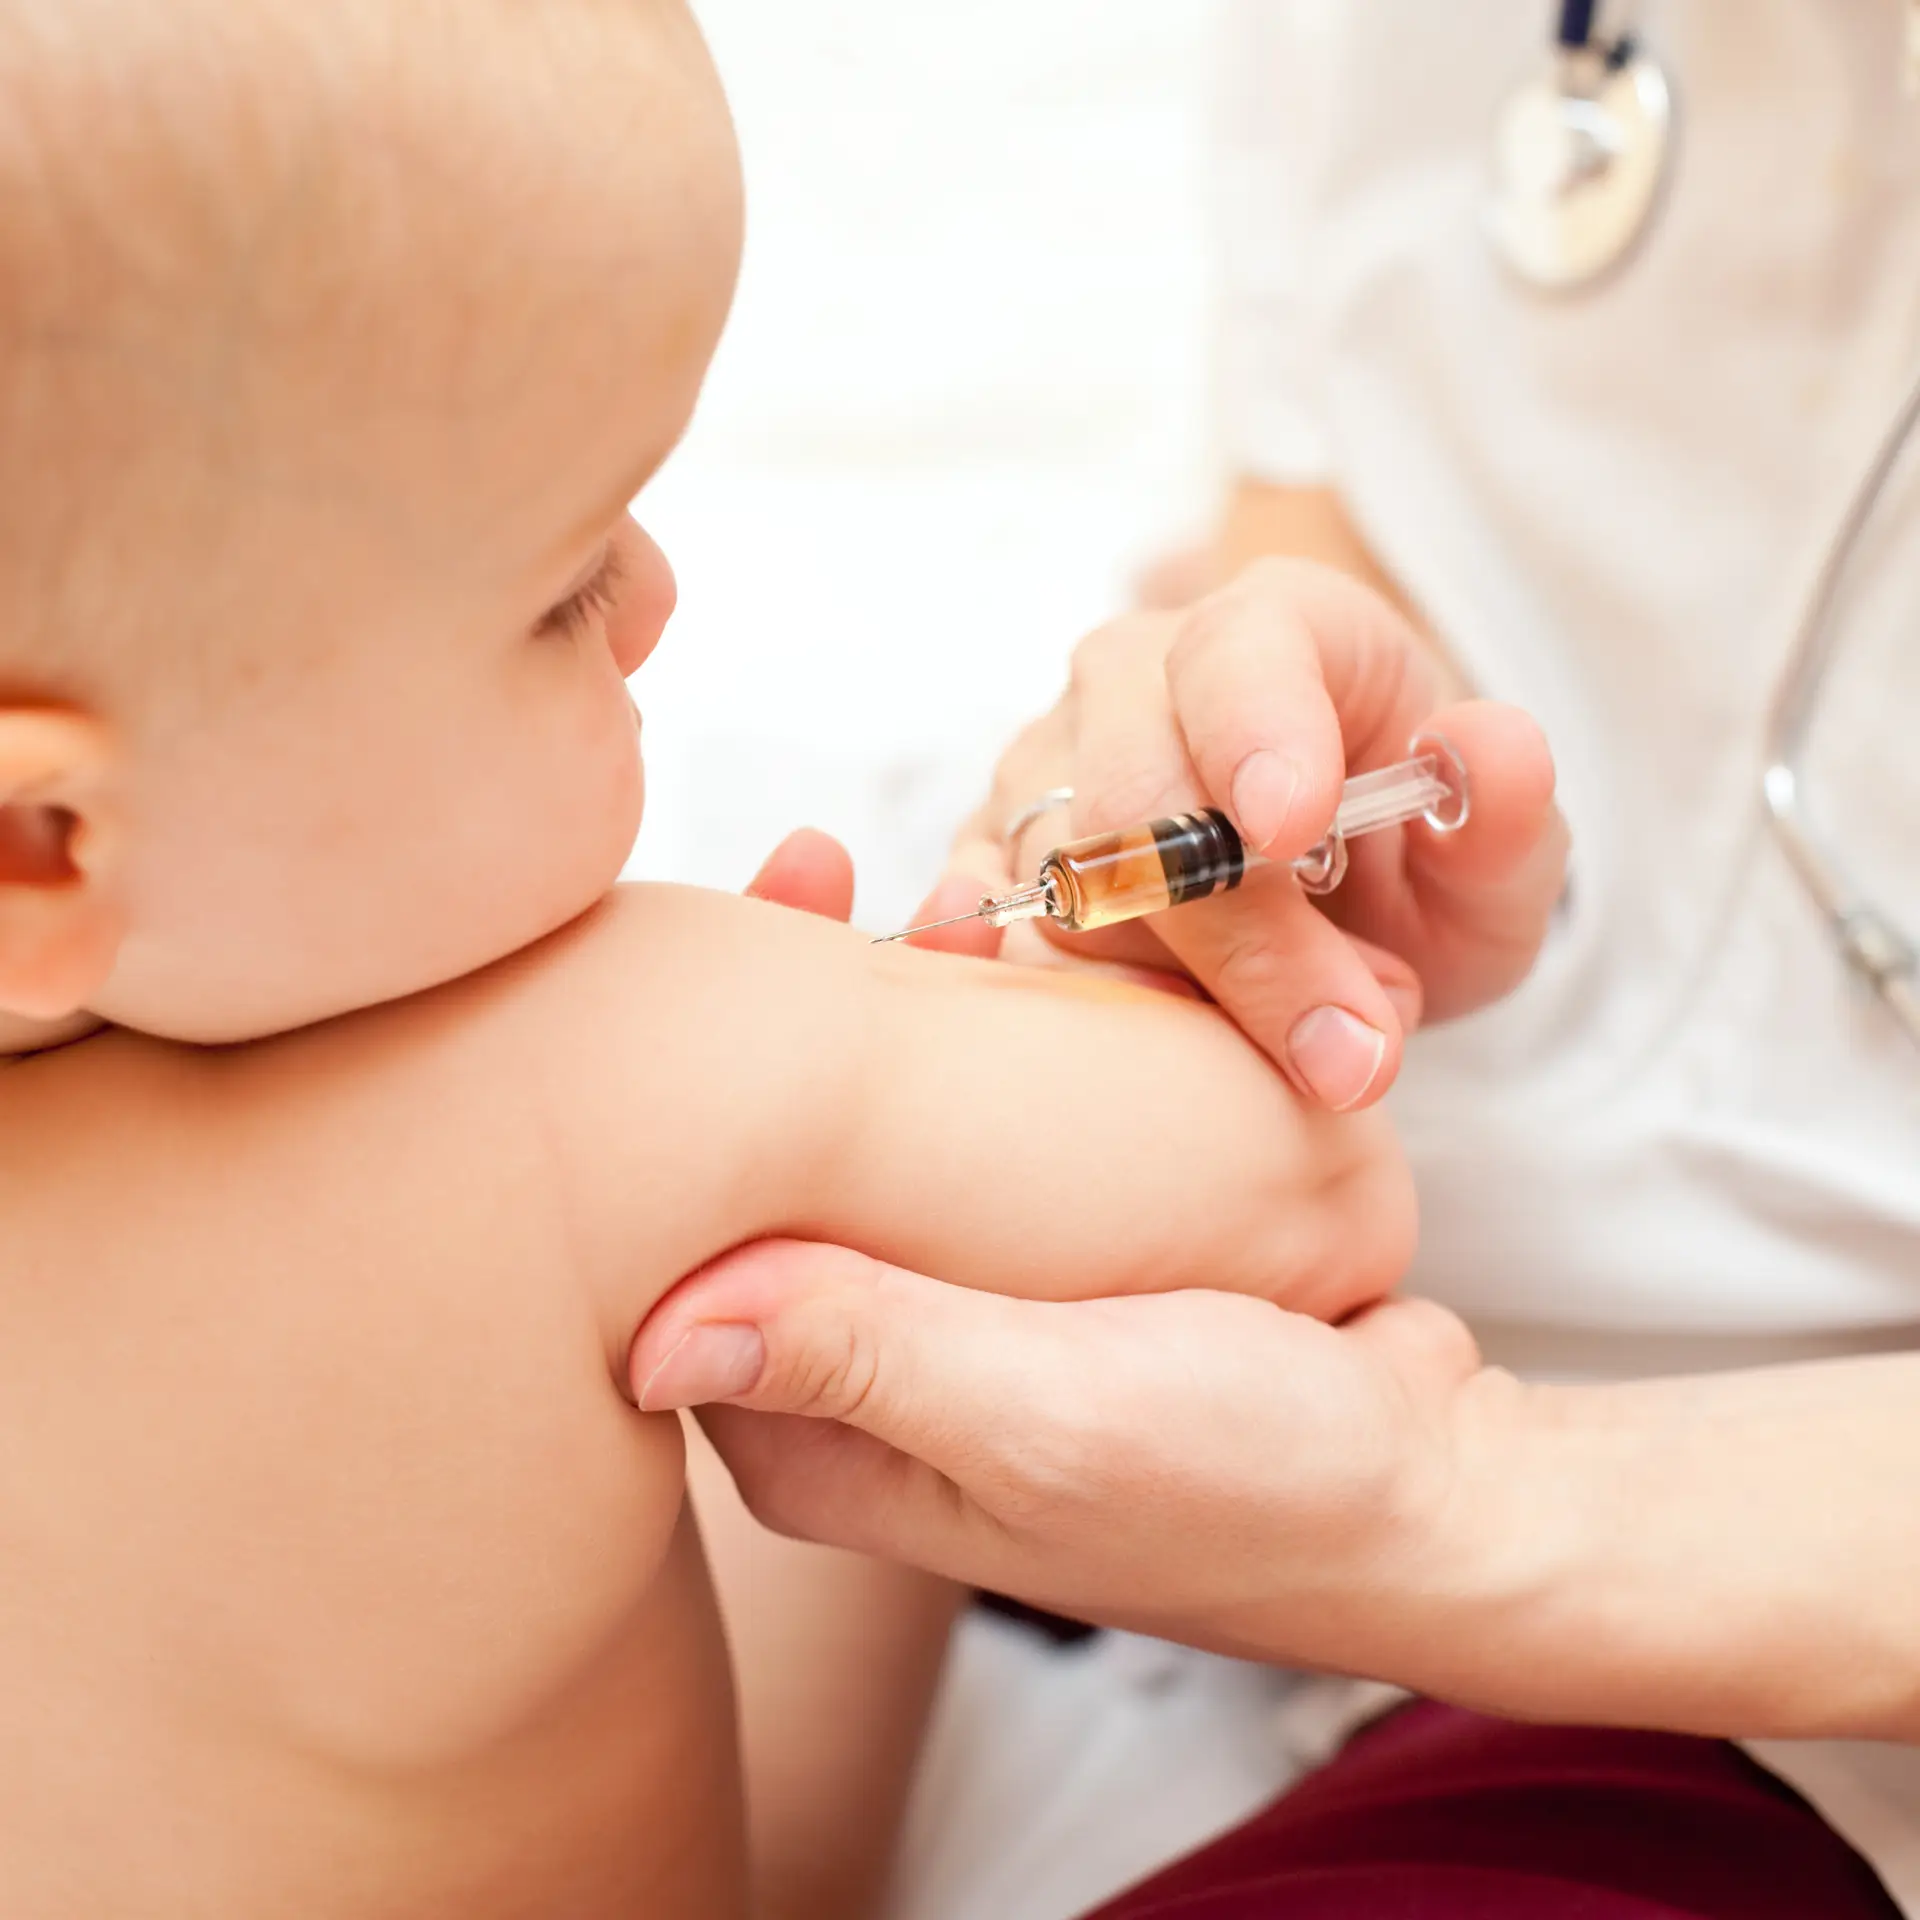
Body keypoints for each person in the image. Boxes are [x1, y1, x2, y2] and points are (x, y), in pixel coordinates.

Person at [0, 4, 1549, 1916]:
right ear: (40, 845)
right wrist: (1048, 1001)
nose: (655, 598)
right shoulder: (609, 1071)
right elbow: (1305, 1194)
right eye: (562, 584)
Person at [627, 3, 1920, 1913]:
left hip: (1768, 1656)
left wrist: (1464, 1502)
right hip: (1283, 1426)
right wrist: (1206, 750)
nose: (646, 602)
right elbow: (1321, 562)